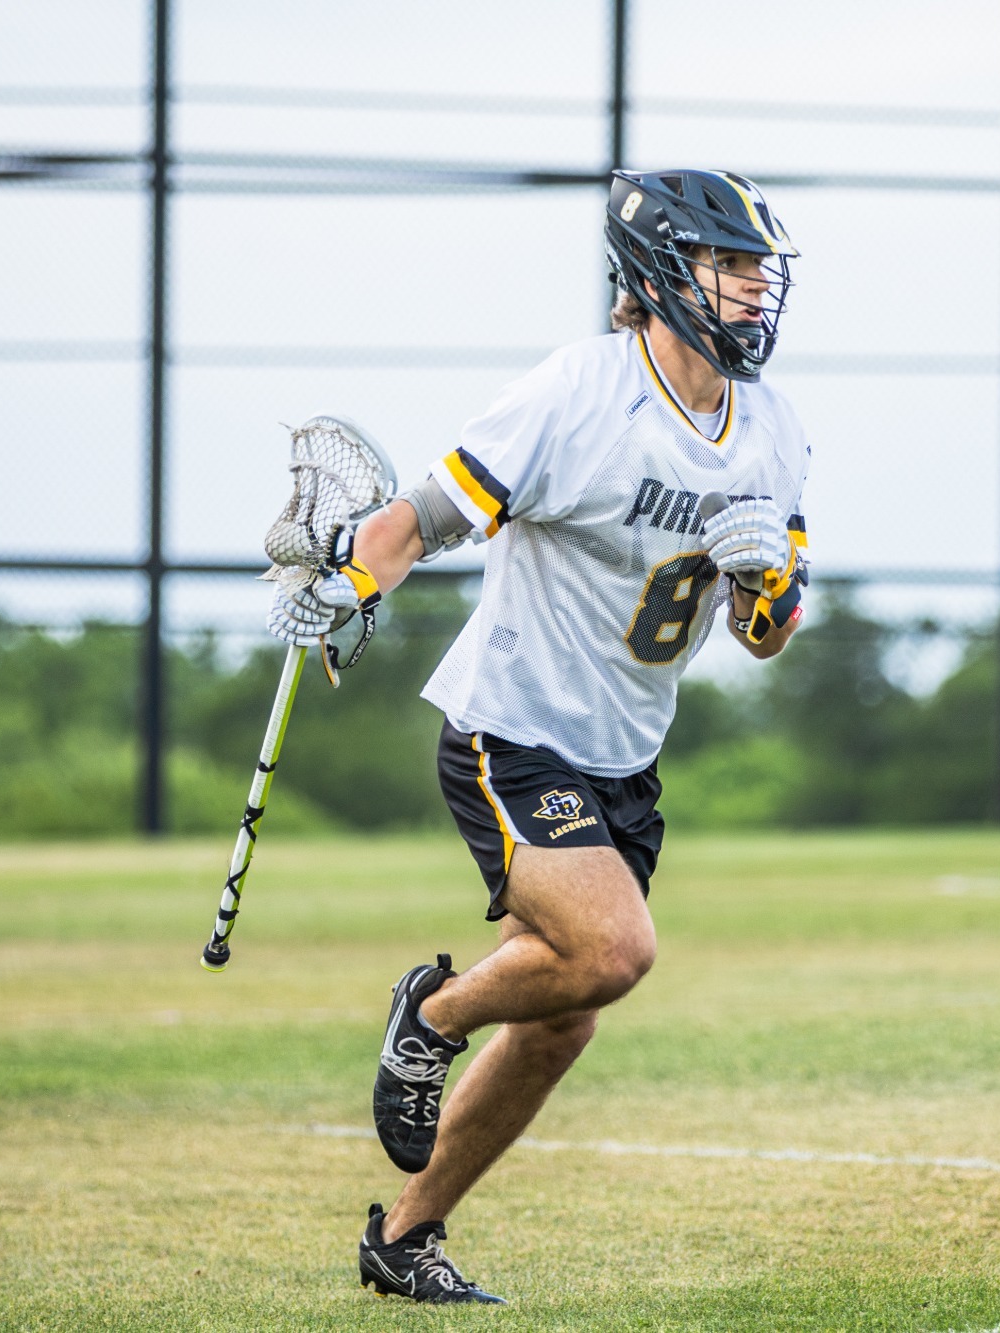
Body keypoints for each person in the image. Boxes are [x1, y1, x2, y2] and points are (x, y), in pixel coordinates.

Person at [264, 170, 812, 1304]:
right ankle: (432, 1011)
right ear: (664, 275)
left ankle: (404, 1238)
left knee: (563, 1016)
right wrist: (354, 576)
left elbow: (766, 633)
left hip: (624, 752)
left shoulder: (771, 429)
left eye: (761, 267)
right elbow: (426, 512)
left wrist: (765, 587)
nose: (755, 289)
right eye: (731, 264)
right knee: (614, 950)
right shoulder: (580, 391)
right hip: (508, 728)